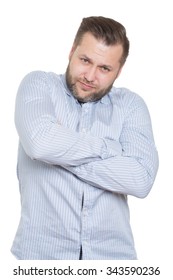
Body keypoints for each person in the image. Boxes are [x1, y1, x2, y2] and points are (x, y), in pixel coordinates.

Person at [11, 16, 159, 260]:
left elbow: (141, 180)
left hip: (113, 261)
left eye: (104, 68)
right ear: (71, 51)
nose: (90, 76)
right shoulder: (39, 85)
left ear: (118, 71)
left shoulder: (131, 106)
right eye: (85, 60)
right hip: (41, 259)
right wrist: (111, 149)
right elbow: (40, 144)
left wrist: (60, 153)